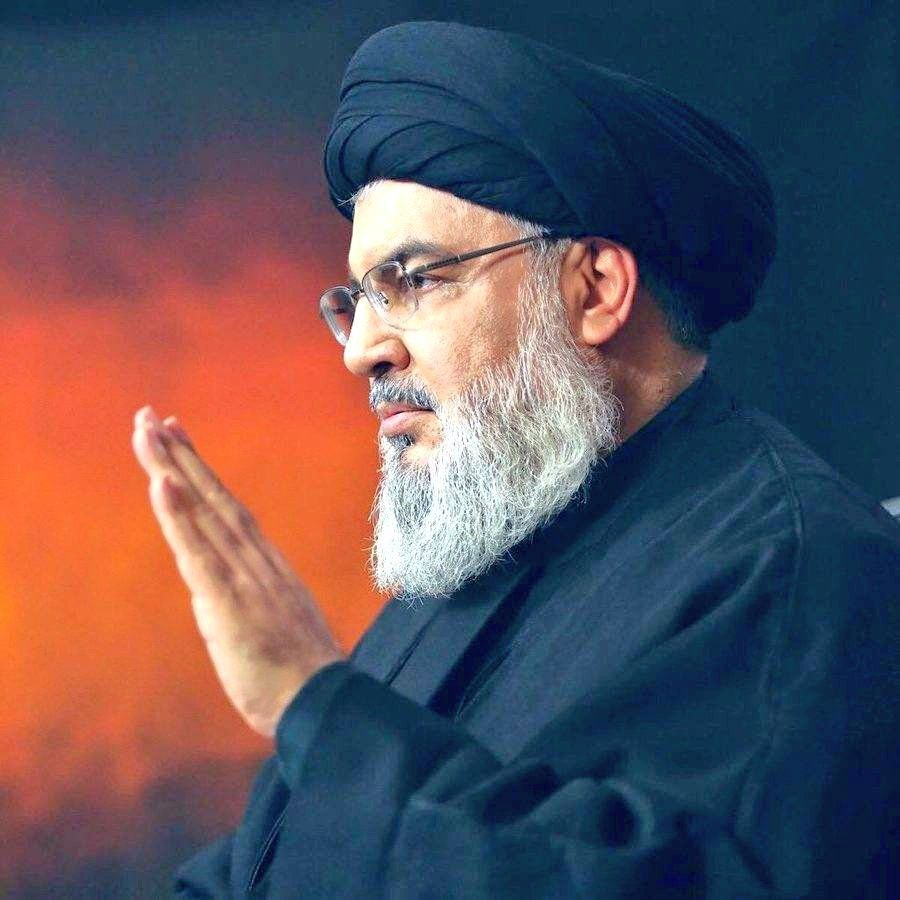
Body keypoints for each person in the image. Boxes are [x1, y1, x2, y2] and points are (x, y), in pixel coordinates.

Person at [131, 21, 900, 898]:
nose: (361, 351)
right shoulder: (473, 568)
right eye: (359, 299)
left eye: (415, 280)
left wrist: (316, 703)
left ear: (594, 290)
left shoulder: (803, 576)